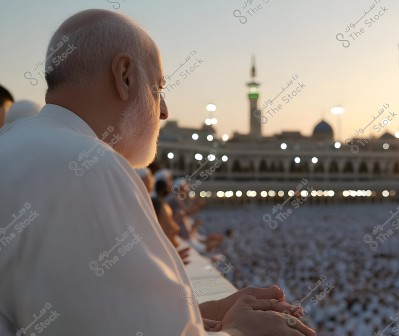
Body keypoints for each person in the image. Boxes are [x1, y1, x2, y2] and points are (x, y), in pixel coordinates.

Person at [0, 9, 311, 336]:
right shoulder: (91, 166)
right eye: (158, 88)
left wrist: (199, 313)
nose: (163, 111)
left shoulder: (15, 143)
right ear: (124, 76)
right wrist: (240, 331)